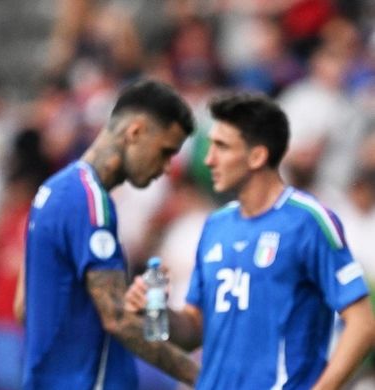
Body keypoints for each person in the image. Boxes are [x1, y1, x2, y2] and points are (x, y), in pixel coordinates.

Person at [126, 93, 375, 389]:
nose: (209, 159)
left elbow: (362, 325)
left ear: (257, 156)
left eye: (221, 147)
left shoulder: (307, 222)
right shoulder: (216, 226)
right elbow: (195, 328)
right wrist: (157, 313)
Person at [19, 79, 199, 389]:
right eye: (165, 151)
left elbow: (24, 306)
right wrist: (205, 378)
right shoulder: (90, 203)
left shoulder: (52, 191)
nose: (168, 167)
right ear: (135, 132)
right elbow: (116, 319)